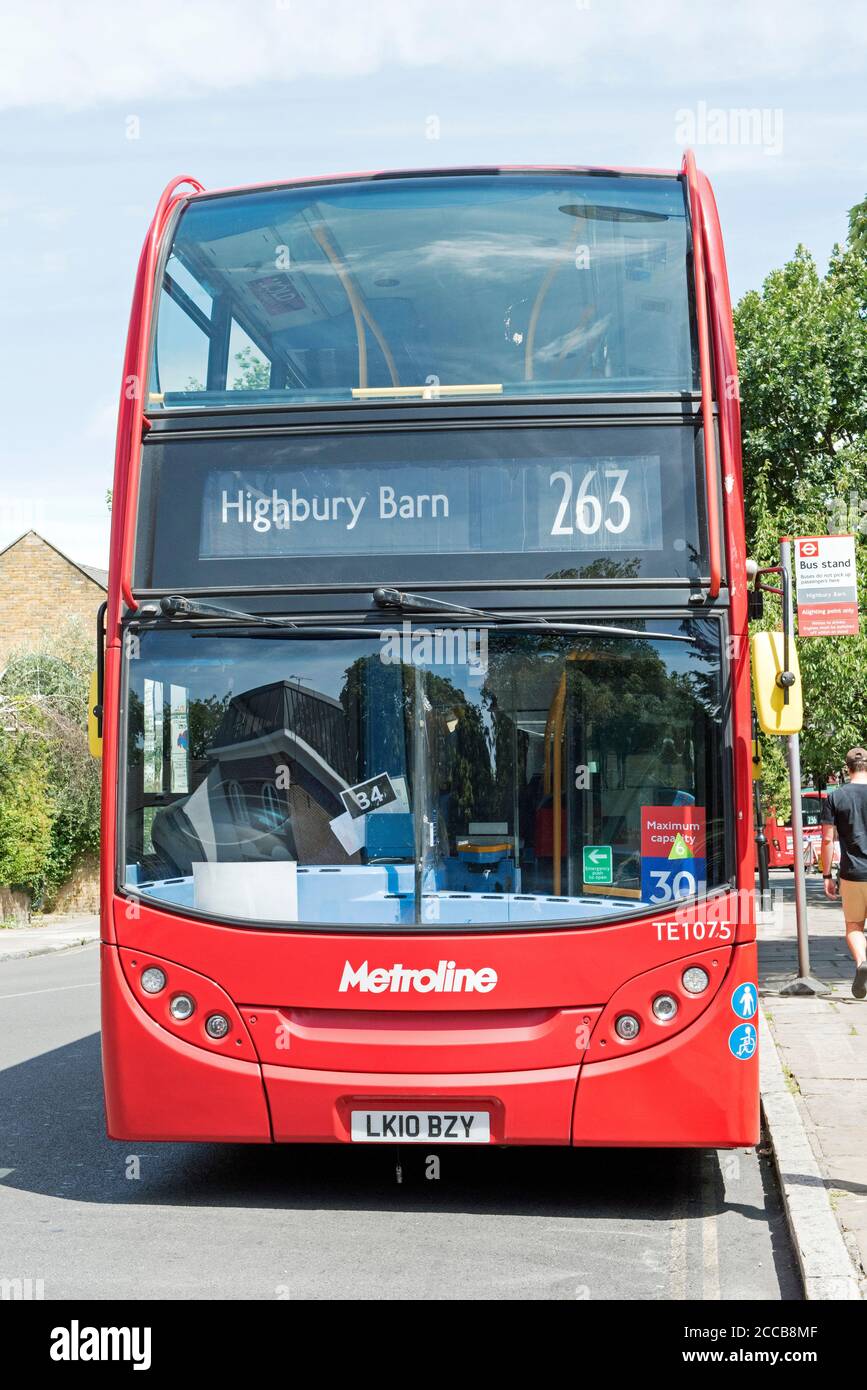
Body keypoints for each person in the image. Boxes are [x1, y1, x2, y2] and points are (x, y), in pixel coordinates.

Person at [821, 748, 867, 998]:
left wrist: (827, 875)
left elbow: (827, 840)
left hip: (853, 874)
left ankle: (861, 962)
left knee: (854, 926)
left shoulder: (836, 797)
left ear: (847, 768)